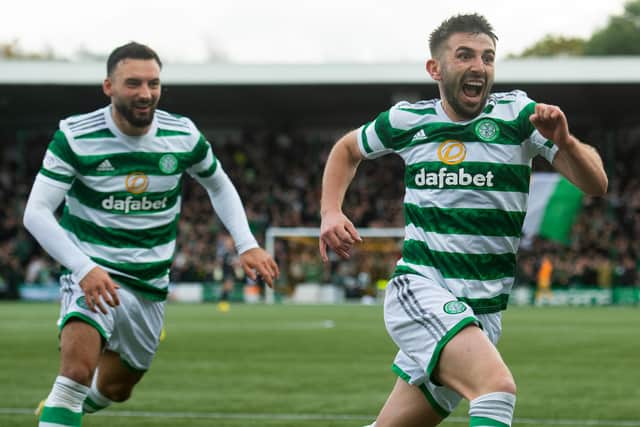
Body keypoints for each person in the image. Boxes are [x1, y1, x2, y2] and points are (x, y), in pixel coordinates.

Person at [319, 13, 607, 427]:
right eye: (465, 55)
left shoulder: (518, 116)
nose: (479, 67)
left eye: (488, 58)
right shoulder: (409, 120)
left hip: (483, 309)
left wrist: (564, 141)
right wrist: (331, 210)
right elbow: (347, 149)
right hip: (421, 289)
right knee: (496, 389)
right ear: (435, 68)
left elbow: (596, 183)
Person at [23, 41, 279, 427]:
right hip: (94, 273)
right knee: (74, 374)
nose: (145, 94)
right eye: (133, 84)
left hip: (149, 284)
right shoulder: (75, 136)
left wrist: (247, 245)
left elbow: (220, 185)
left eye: (154, 84)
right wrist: (82, 267)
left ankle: (68, 408)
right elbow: (36, 212)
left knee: (116, 389)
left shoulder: (183, 135)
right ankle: (65, 403)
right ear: (108, 86)